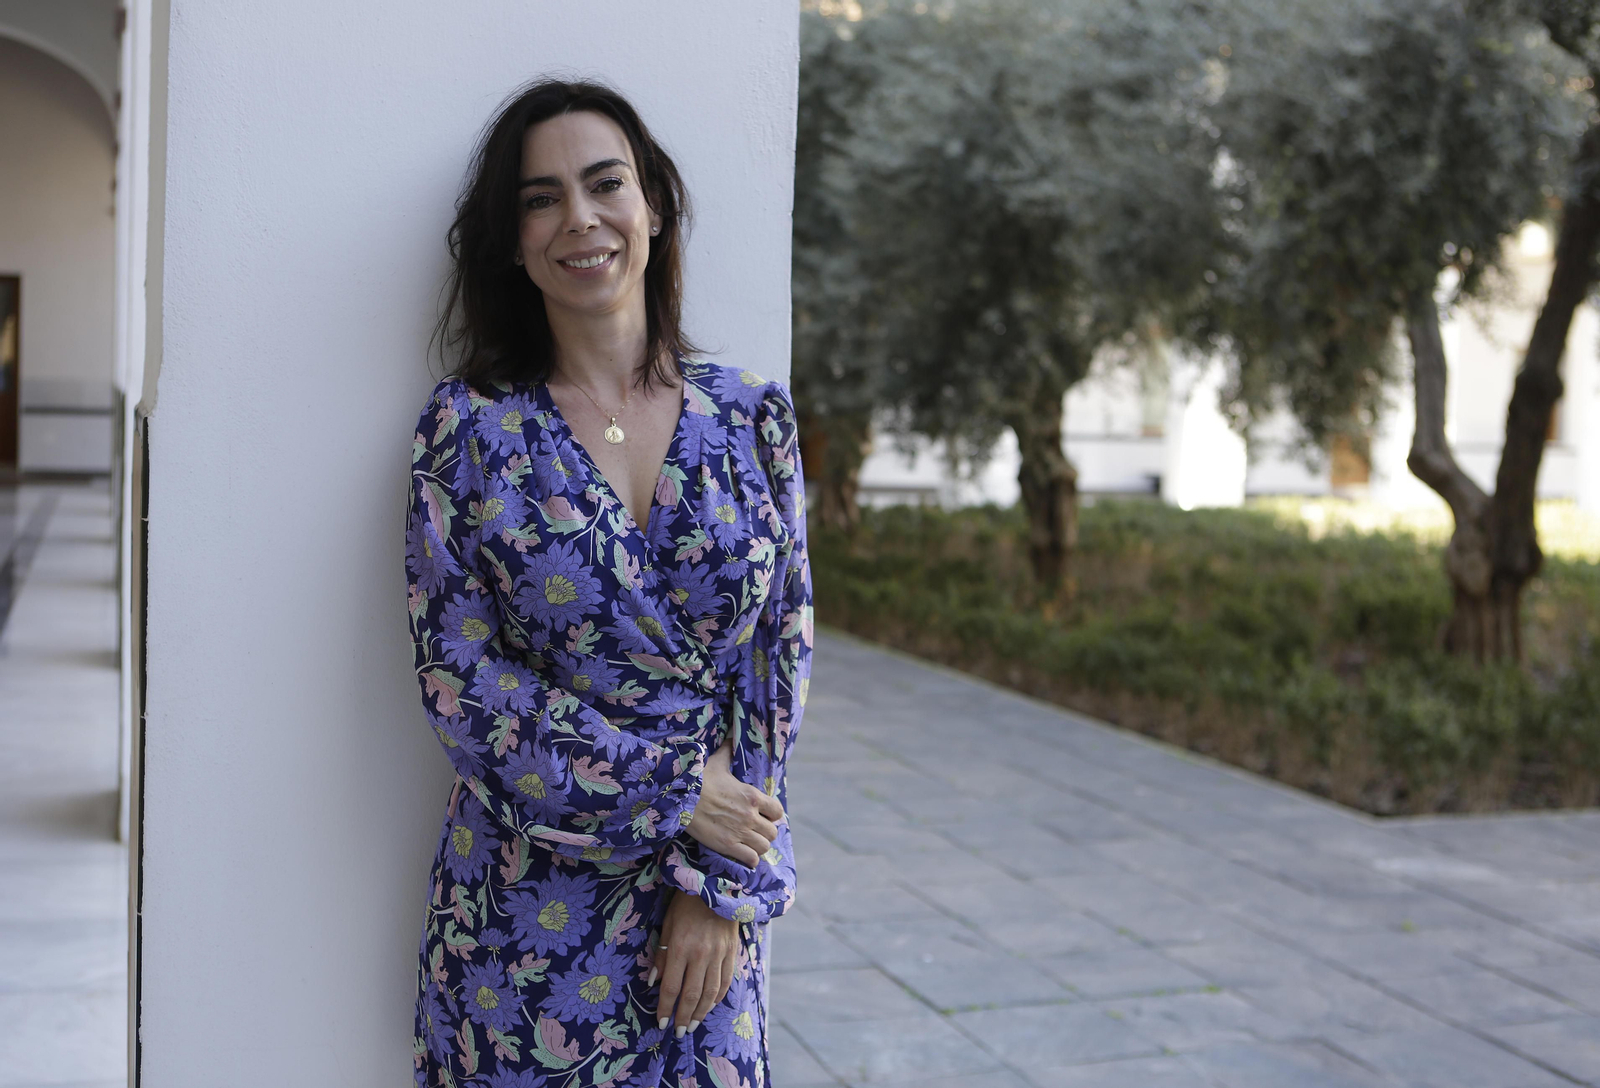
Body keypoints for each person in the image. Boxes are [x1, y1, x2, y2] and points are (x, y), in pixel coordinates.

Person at [405, 78, 812, 1088]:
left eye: (605, 184)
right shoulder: (469, 431)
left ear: (654, 205)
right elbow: (461, 678)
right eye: (541, 198)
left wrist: (717, 881)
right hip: (523, 911)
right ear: (511, 239)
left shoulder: (752, 416)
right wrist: (679, 794)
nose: (579, 219)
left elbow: (778, 658)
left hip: (701, 915)